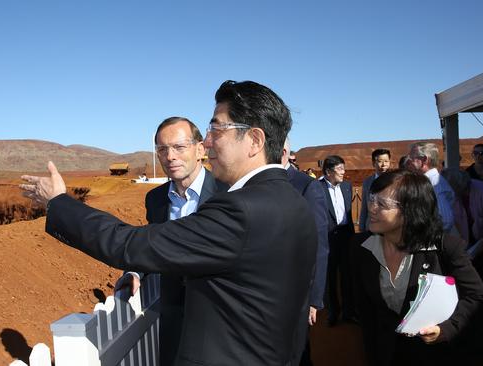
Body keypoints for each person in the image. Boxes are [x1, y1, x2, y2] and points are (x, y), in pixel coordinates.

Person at [20, 80, 318, 365]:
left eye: (217, 128)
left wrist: (58, 202)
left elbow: (131, 244)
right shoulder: (294, 203)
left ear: (254, 140)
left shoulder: (240, 211)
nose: (209, 141)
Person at [117, 116, 226, 366]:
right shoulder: (155, 200)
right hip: (174, 317)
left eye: (179, 147)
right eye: (162, 149)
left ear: (200, 149)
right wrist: (134, 272)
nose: (170, 156)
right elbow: (152, 243)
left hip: (219, 321)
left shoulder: (227, 193)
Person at [355, 169, 483, 366]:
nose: (371, 207)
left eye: (382, 204)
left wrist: (448, 329)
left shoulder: (446, 248)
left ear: (410, 209)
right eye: (372, 199)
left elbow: (475, 294)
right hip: (385, 354)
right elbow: (366, 310)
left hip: (435, 356)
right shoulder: (361, 247)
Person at [282, 138, 329, 366]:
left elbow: (319, 246)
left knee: (297, 353)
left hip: (296, 294)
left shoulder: (306, 186)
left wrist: (315, 298)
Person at [441, 168, 483, 323]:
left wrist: (474, 252)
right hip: (472, 245)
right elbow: (457, 222)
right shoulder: (453, 196)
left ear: (458, 186)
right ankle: (479, 318)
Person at [319, 155, 356, 326]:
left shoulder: (347, 187)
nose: (344, 172)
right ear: (328, 172)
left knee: (348, 276)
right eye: (340, 169)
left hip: (346, 237)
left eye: (343, 168)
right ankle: (333, 312)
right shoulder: (317, 188)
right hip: (328, 239)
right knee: (330, 277)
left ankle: (349, 311)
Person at [406, 142, 455, 232]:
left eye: (412, 157)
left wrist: (428, 238)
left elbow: (446, 220)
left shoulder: (435, 184)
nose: (409, 161)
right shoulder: (426, 181)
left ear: (424, 160)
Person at [359, 149, 391, 233]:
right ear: (373, 163)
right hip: (371, 227)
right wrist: (362, 226)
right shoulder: (367, 182)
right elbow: (364, 206)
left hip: (389, 228)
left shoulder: (395, 181)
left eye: (386, 161)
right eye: (380, 161)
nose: (383, 165)